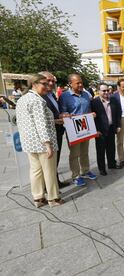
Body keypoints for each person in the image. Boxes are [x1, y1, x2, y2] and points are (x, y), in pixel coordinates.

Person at [16, 74, 63, 207]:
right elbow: (40, 124)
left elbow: (32, 121)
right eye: (44, 83)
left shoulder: (23, 99)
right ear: (34, 84)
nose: (47, 86)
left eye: (48, 83)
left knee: (35, 170)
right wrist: (47, 145)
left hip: (30, 143)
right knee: (49, 171)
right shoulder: (37, 100)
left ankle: (38, 198)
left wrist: (54, 121)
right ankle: (53, 198)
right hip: (42, 143)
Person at [59, 73, 97, 186]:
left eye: (81, 82)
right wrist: (67, 115)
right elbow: (63, 113)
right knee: (74, 153)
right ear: (70, 84)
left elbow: (88, 109)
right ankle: (75, 175)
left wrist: (92, 114)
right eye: (78, 83)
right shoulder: (64, 96)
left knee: (84, 152)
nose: (81, 84)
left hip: (85, 128)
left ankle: (85, 170)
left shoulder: (86, 95)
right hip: (73, 130)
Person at [39, 71, 69, 189]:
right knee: (48, 162)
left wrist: (61, 115)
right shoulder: (40, 97)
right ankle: (48, 187)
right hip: (48, 134)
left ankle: (55, 181)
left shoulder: (51, 95)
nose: (51, 83)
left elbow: (54, 112)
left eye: (53, 81)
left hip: (58, 131)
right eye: (48, 80)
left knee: (55, 160)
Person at [91, 84, 122, 175]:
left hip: (111, 128)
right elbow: (92, 118)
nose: (106, 92)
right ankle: (101, 168)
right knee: (100, 150)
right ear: (98, 91)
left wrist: (118, 125)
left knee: (111, 148)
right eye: (103, 91)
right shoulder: (94, 102)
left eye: (107, 90)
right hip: (100, 130)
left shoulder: (113, 100)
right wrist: (95, 130)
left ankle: (112, 164)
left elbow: (117, 114)